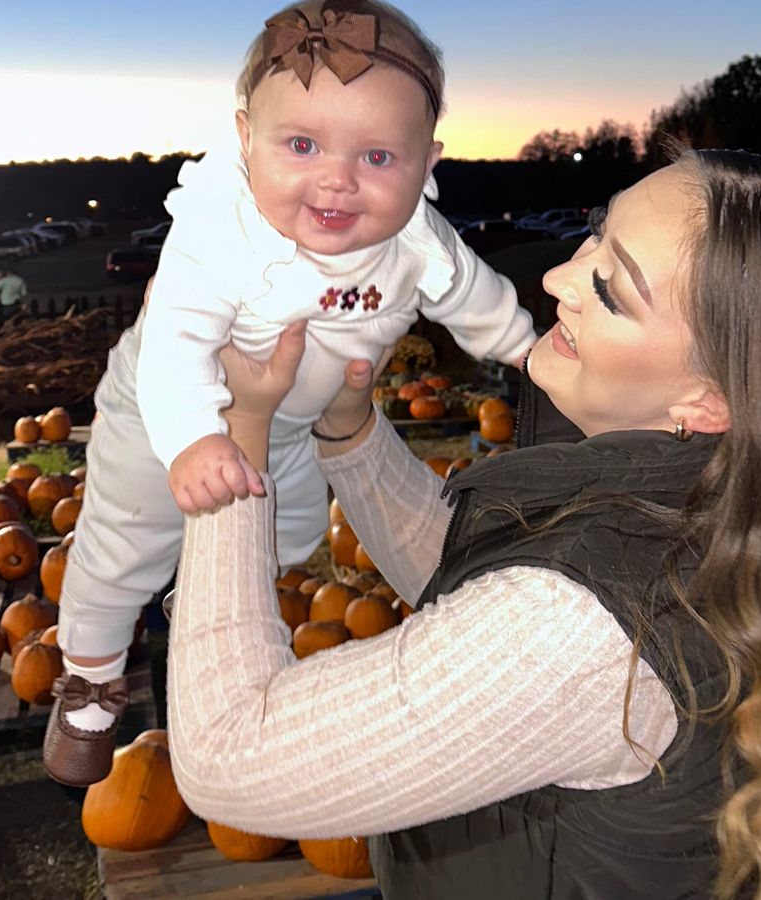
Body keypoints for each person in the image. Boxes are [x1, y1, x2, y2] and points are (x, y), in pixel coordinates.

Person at [165, 148, 761, 899]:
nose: (557, 278)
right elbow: (486, 593)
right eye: (595, 237)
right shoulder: (746, 511)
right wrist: (349, 430)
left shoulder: (588, 629)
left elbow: (228, 753)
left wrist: (230, 430)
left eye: (612, 289)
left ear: (709, 401)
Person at [43, 0, 535, 788]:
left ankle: (204, 600)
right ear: (246, 139)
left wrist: (524, 349)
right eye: (301, 145)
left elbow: (474, 296)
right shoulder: (221, 229)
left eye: (379, 156)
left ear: (427, 160)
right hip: (164, 409)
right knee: (123, 545)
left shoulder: (416, 241)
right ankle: (90, 680)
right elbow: (174, 342)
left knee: (294, 530)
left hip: (290, 422)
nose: (337, 179)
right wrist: (194, 439)